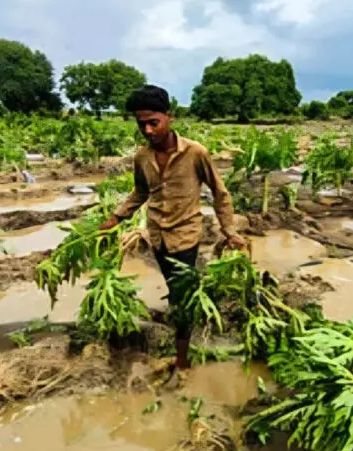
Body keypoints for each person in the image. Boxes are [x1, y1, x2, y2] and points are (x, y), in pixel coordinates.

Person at [98, 85, 247, 386]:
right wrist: (116, 217)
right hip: (157, 235)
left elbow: (220, 192)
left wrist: (229, 231)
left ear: (169, 117)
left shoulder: (195, 153)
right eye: (141, 124)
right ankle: (182, 331)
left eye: (154, 122)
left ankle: (182, 361)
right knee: (174, 290)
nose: (148, 129)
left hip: (186, 235)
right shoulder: (142, 157)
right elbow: (141, 191)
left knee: (181, 298)